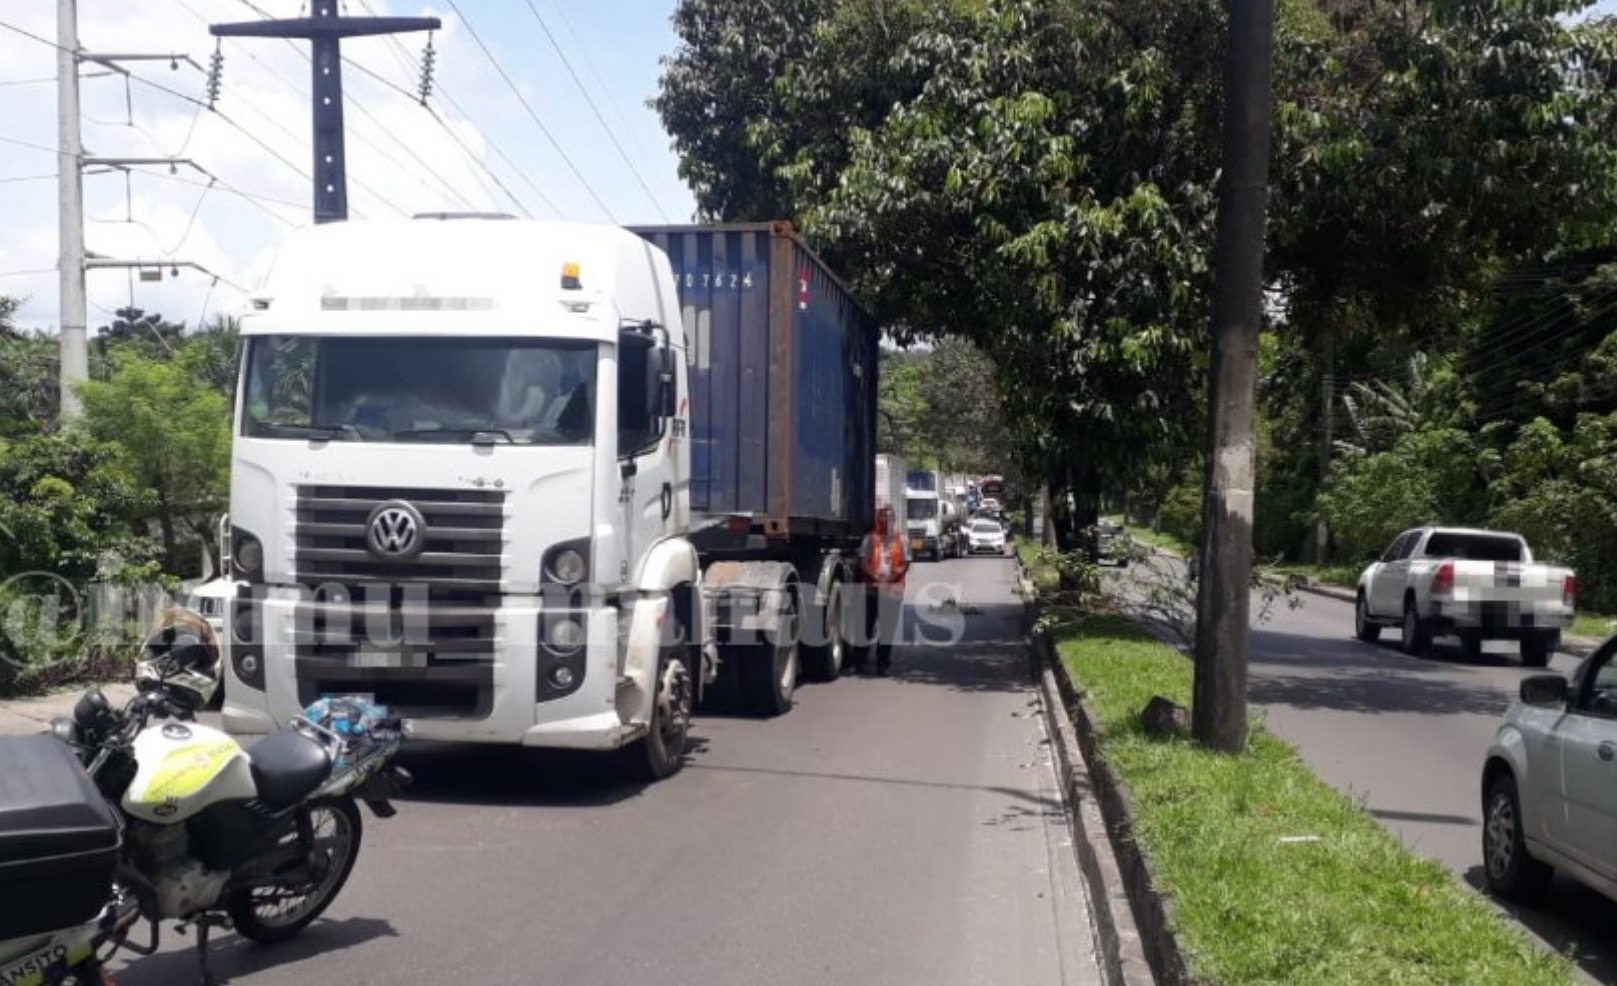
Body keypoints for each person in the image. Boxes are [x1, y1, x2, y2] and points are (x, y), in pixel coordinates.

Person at [853, 505, 911, 676]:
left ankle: (882, 664)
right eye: (883, 517)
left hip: (892, 590)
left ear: (894, 520)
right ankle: (860, 662)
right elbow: (863, 562)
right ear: (879, 519)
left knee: (887, 630)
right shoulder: (870, 539)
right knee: (866, 627)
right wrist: (875, 578)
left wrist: (891, 578)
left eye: (890, 517)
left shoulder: (902, 540)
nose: (887, 520)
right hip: (872, 588)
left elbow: (906, 564)